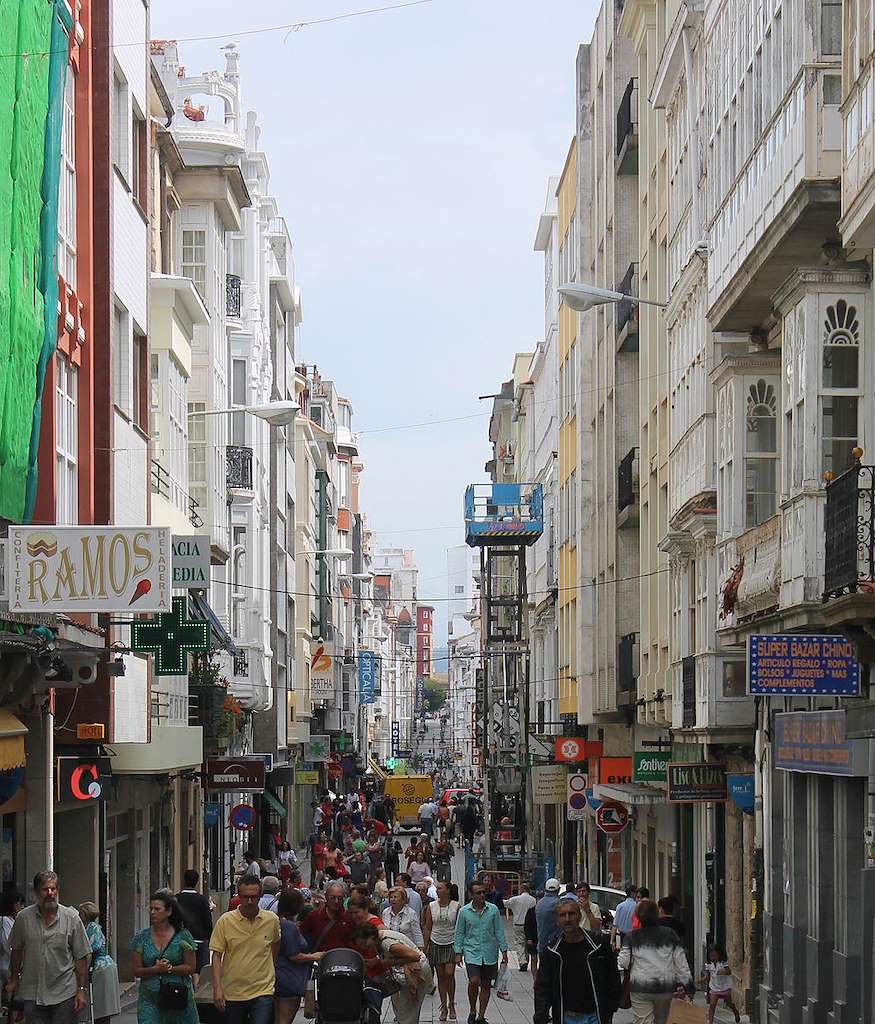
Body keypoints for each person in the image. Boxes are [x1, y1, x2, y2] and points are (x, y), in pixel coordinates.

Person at [7, 870, 91, 1024]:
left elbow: (81, 957)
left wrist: (81, 990)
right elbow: (16, 950)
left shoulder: (71, 918)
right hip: (33, 993)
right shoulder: (23, 918)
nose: (50, 893)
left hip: (64, 992)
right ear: (36, 893)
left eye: (53, 889)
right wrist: (13, 979)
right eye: (45, 889)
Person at [533, 893, 621, 1024]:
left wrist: (610, 1008)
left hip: (595, 1016)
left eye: (571, 914)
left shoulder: (598, 945)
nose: (567, 919)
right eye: (562, 915)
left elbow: (612, 977)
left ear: (579, 916)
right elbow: (543, 987)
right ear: (557, 921)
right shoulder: (552, 951)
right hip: (566, 1017)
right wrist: (541, 1016)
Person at [209, 878, 281, 1024]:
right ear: (239, 896)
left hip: (263, 990)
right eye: (245, 897)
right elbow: (216, 956)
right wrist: (217, 988)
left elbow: (275, 944)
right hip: (233, 992)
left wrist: (270, 969)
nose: (249, 901)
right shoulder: (225, 921)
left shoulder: (271, 920)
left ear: (260, 896)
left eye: (253, 897)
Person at [617, 899, 692, 1024]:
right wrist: (688, 985)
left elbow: (623, 962)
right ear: (657, 914)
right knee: (662, 1020)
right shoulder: (670, 934)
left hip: (640, 987)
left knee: (643, 1021)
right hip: (665, 986)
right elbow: (681, 963)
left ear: (638, 916)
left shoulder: (631, 937)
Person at [130, 891, 198, 1024]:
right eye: (151, 909)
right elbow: (136, 971)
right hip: (149, 999)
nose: (152, 912)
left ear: (169, 911)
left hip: (177, 997)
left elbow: (191, 967)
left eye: (157, 909)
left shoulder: (183, 936)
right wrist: (155, 969)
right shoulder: (141, 937)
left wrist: (170, 968)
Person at [354, 922, 433, 1024]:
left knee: (407, 1013)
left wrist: (391, 962)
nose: (364, 947)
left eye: (365, 943)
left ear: (372, 936)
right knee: (406, 1011)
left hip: (418, 971)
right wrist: (376, 960)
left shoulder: (387, 943)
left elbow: (415, 956)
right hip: (412, 972)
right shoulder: (379, 938)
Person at [453, 880, 508, 1024]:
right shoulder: (464, 911)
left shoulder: (493, 910)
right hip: (471, 951)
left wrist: (504, 950)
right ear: (471, 895)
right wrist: (458, 952)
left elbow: (499, 930)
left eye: (484, 892)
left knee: (486, 984)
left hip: (489, 952)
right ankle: (472, 1009)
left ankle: (481, 1015)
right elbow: (459, 933)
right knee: (473, 981)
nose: (482, 895)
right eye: (478, 893)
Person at [275, 889, 322, 1024]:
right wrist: (314, 956)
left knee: (279, 1017)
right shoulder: (288, 926)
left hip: (281, 976)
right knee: (285, 1018)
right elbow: (294, 955)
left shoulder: (280, 922)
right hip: (289, 977)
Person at [422, 879, 459, 1021]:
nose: (437, 890)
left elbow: (459, 927)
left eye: (440, 888)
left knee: (450, 973)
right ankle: (443, 1006)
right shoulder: (431, 906)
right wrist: (425, 946)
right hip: (436, 942)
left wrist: (460, 948)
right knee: (441, 976)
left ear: (448, 890)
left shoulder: (456, 906)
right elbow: (428, 927)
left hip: (451, 942)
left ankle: (452, 1002)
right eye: (437, 888)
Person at [78, 903, 121, 1024]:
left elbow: (89, 951)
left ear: (85, 914)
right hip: (104, 965)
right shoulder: (91, 927)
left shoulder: (91, 928)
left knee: (100, 1001)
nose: (78, 915)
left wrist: (84, 971)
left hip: (100, 967)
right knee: (102, 1002)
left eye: (80, 913)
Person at [175, 870, 214, 979]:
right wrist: (210, 938)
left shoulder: (176, 899)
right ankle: (196, 988)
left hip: (181, 940)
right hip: (200, 939)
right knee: (199, 971)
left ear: (184, 881)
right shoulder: (202, 900)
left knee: (184, 971)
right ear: (197, 882)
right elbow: (207, 920)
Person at [299, 881, 357, 952]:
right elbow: (301, 934)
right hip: (321, 957)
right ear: (326, 897)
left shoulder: (350, 918)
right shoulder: (314, 916)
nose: (336, 901)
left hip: (343, 957)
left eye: (339, 898)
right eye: (332, 898)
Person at [701, 946, 741, 1024]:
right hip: (714, 987)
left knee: (729, 1003)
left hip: (725, 987)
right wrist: (702, 979)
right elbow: (707, 974)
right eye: (711, 956)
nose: (713, 958)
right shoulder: (709, 964)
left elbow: (729, 972)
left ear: (719, 955)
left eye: (715, 955)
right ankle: (710, 1022)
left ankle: (735, 1011)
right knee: (712, 1005)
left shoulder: (723, 963)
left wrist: (723, 972)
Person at [503, 884, 536, 971]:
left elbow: (505, 903)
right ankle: (526, 961)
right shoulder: (533, 900)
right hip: (530, 925)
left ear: (521, 889)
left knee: (520, 943)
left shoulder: (515, 899)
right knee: (527, 943)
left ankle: (522, 961)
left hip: (518, 924)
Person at [0, 890, 23, 993]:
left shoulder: (14, 921)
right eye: (19, 903)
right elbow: (7, 943)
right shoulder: (4, 921)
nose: (22, 907)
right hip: (6, 965)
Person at [535, 878, 562, 955]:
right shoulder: (559, 903)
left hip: (542, 944)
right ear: (558, 890)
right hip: (555, 946)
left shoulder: (539, 903)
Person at [610, 885, 638, 949]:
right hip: (634, 936)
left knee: (623, 952)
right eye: (636, 893)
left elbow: (615, 925)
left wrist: (612, 941)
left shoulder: (620, 906)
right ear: (632, 894)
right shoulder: (637, 906)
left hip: (622, 936)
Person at [523, 899, 539, 981]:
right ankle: (535, 979)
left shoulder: (544, 910)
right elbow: (527, 925)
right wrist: (528, 938)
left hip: (541, 937)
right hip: (533, 937)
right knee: (534, 959)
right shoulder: (531, 911)